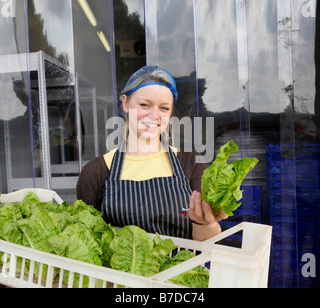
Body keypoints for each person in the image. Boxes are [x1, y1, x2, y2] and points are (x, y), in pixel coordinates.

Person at [76, 65, 228, 240]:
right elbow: (87, 240)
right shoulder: (96, 172)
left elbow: (207, 241)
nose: (154, 115)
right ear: (125, 103)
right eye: (144, 105)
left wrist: (205, 222)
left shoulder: (190, 162)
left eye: (164, 108)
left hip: (182, 267)